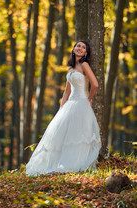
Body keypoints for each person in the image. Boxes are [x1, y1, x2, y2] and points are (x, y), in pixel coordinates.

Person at [26, 40, 101, 176]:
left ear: (86, 53)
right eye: (78, 46)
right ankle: (59, 163)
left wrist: (89, 99)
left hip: (81, 104)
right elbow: (67, 91)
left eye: (83, 47)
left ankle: (75, 164)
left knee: (78, 134)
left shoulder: (84, 65)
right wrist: (61, 109)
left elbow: (95, 84)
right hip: (69, 105)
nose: (80, 48)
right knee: (63, 134)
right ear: (73, 49)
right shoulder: (71, 68)